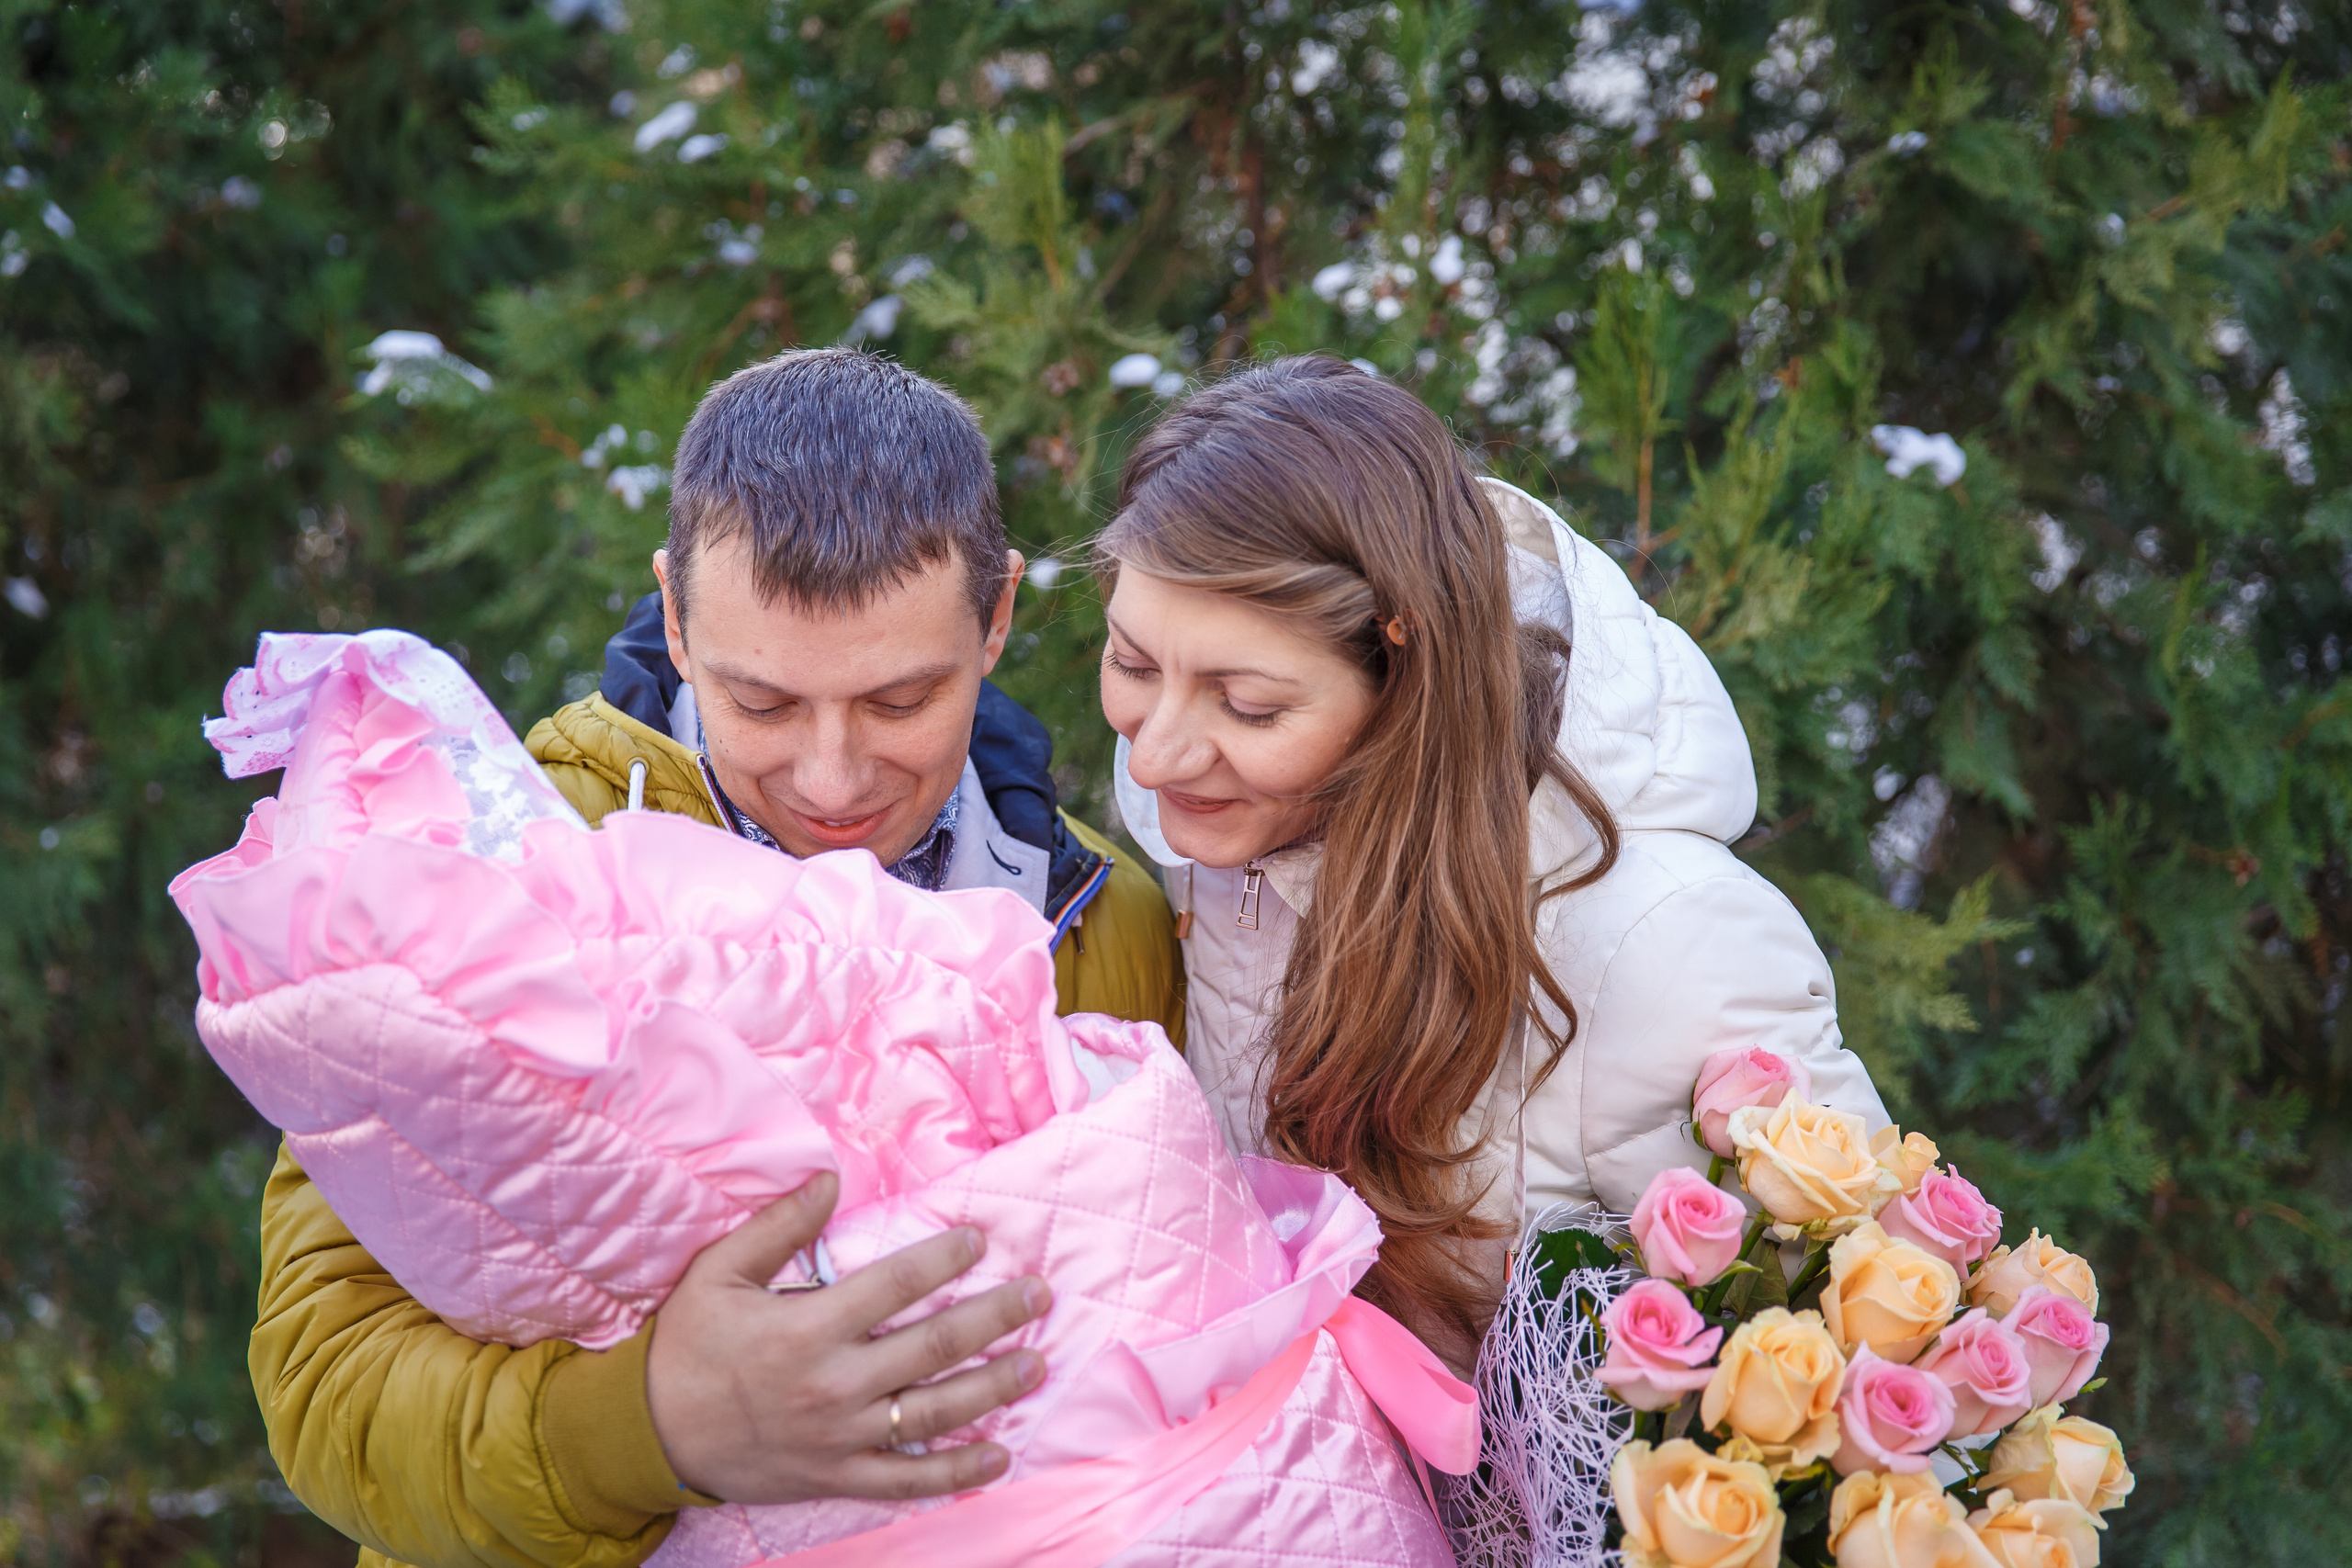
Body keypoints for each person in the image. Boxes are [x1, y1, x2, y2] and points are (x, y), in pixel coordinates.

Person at [250, 349, 1184, 1568]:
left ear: (998, 613)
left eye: (900, 702)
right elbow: (324, 1377)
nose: (832, 780)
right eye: (766, 705)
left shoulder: (1111, 926)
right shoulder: (496, 869)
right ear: (677, 619)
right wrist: (650, 1424)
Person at [1095, 355, 1891, 1371]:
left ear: (1404, 684)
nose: (1153, 756)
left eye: (1247, 706)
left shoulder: (1669, 944)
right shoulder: (1219, 836)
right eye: (1131, 663)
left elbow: (1856, 1362)